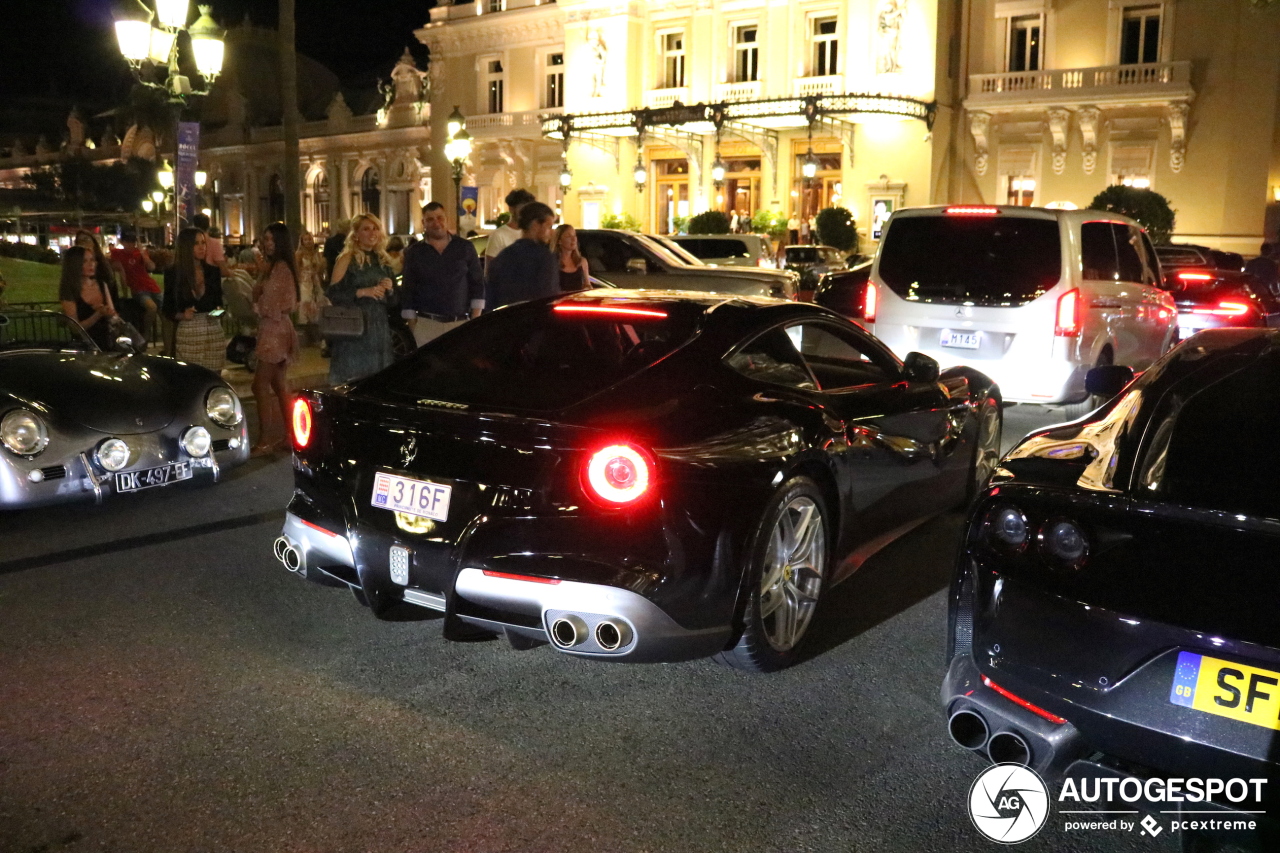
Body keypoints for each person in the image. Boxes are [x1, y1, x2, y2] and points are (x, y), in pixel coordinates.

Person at [400, 201, 484, 347]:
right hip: (427, 325)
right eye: (430, 219)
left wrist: (474, 321)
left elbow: (477, 284)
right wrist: (415, 328)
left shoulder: (464, 247)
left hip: (460, 324)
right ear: (423, 223)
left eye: (440, 217)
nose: (436, 223)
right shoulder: (415, 252)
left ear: (447, 219)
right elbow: (408, 289)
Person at [327, 213, 396, 385]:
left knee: (378, 381)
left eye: (375, 229)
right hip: (354, 328)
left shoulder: (382, 260)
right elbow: (333, 294)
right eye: (366, 229)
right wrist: (362, 292)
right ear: (356, 234)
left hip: (378, 328)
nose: (372, 233)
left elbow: (394, 303)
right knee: (354, 379)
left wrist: (390, 289)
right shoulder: (347, 259)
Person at [251, 222, 300, 455]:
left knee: (260, 384)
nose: (268, 244)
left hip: (274, 329)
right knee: (279, 384)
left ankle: (265, 440)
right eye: (265, 239)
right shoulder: (275, 267)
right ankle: (290, 435)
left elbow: (274, 303)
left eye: (271, 240)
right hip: (276, 328)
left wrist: (257, 299)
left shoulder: (281, 268)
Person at [163, 227, 225, 372]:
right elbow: (167, 309)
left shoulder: (212, 271)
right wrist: (183, 315)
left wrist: (215, 313)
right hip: (189, 333)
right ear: (186, 246)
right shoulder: (174, 273)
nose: (201, 247)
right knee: (190, 376)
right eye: (196, 243)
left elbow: (220, 307)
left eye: (203, 243)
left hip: (212, 331)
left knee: (213, 377)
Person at [485, 201, 559, 311]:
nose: (552, 232)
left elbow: (490, 298)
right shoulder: (544, 257)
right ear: (535, 225)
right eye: (549, 226)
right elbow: (548, 299)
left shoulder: (503, 256)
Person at [59, 245, 116, 350]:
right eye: (85, 261)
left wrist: (109, 313)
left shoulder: (101, 284)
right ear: (74, 264)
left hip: (106, 342)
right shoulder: (69, 289)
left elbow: (113, 315)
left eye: (92, 260)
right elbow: (76, 328)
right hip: (84, 346)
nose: (91, 265)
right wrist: (98, 314)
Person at [109, 231, 160, 343]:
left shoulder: (140, 253)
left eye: (132, 242)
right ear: (122, 242)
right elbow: (114, 267)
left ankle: (169, 344)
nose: (130, 244)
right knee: (152, 307)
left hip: (151, 286)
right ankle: (145, 335)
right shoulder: (117, 253)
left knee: (167, 311)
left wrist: (144, 256)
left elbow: (152, 267)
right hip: (137, 288)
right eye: (127, 241)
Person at [485, 188, 536, 266]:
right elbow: (490, 267)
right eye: (522, 208)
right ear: (511, 209)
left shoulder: (532, 234)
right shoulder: (498, 235)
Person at [294, 230, 327, 344]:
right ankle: (307, 336)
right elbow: (296, 270)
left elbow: (321, 269)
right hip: (304, 281)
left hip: (316, 280)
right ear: (302, 242)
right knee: (306, 305)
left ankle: (316, 335)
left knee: (318, 306)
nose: (308, 242)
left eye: (310, 239)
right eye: (306, 240)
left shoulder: (317, 253)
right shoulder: (299, 254)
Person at [550, 223, 590, 292]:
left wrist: (587, 288)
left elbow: (587, 284)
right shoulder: (552, 262)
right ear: (559, 241)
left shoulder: (582, 262)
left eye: (574, 235)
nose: (573, 239)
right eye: (568, 236)